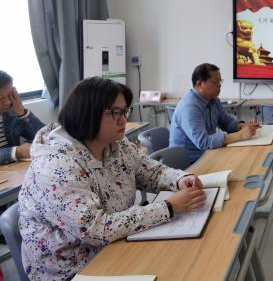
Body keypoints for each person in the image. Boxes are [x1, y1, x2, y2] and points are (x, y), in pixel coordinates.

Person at [18, 77, 207, 281]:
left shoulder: (114, 142)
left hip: (115, 244)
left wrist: (180, 179)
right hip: (71, 269)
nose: (123, 119)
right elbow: (94, 228)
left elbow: (148, 170)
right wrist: (167, 208)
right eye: (115, 112)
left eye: (124, 111)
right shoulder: (56, 165)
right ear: (87, 113)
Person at [170, 63, 259, 163]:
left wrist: (242, 126)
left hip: (207, 153)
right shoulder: (190, 107)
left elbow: (227, 122)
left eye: (220, 81)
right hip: (189, 162)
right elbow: (203, 142)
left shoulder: (214, 100)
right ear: (199, 84)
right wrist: (241, 135)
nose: (219, 85)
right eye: (215, 81)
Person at [0, 70, 44, 165]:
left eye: (10, 95)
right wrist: (16, 152)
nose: (8, 102)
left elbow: (44, 136)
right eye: (1, 98)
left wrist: (22, 113)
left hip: (12, 168)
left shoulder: (10, 113)